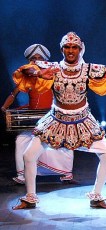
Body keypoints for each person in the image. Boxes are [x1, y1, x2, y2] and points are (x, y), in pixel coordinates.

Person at [12, 32, 106, 210]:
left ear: (80, 49)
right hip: (56, 120)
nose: (70, 51)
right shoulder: (52, 68)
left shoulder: (89, 70)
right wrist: (39, 72)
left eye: (74, 47)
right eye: (67, 47)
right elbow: (25, 70)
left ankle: (97, 195)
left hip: (83, 120)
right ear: (62, 49)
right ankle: (30, 196)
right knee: (28, 155)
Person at [1, 44, 75, 185]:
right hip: (33, 118)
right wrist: (4, 107)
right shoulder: (27, 75)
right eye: (33, 58)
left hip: (51, 116)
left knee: (64, 142)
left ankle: (66, 174)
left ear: (45, 60)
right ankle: (23, 175)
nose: (36, 60)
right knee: (21, 140)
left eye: (39, 58)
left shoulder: (54, 75)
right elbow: (14, 92)